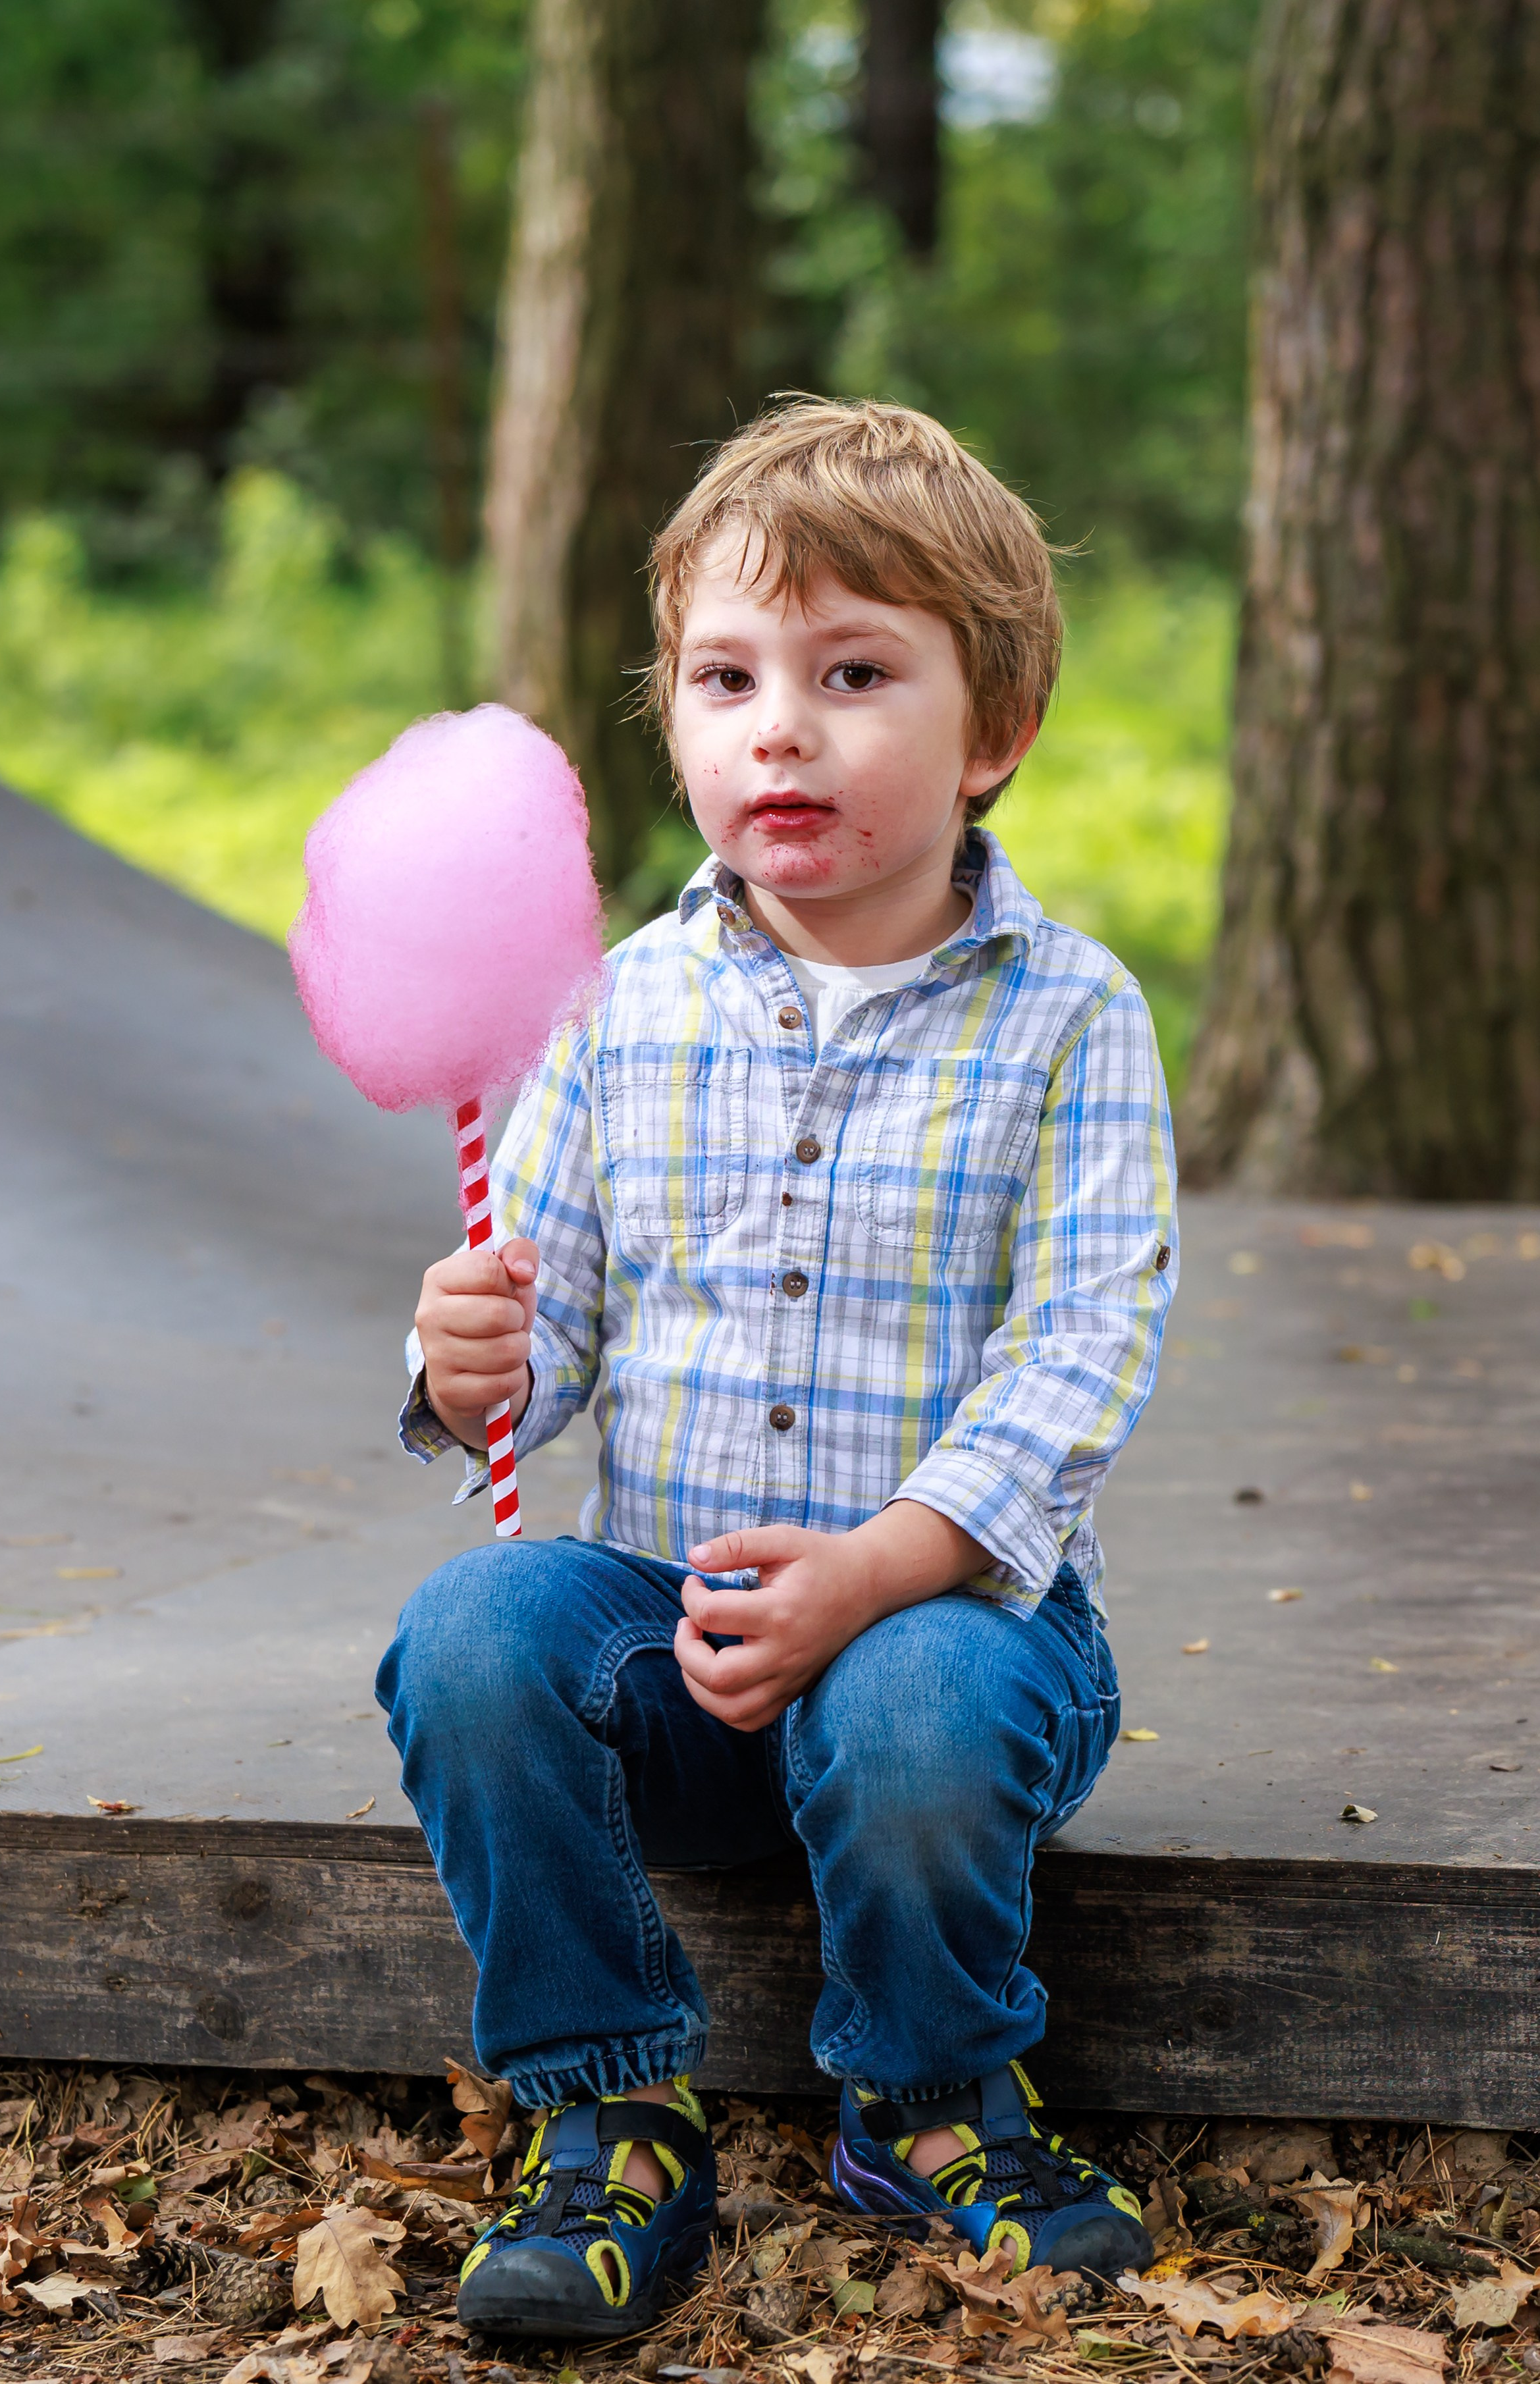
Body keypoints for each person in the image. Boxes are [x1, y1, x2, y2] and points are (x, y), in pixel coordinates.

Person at [379, 398, 1177, 2341]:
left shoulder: (1070, 1017)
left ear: (993, 734)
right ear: (677, 725)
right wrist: (469, 1353)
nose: (780, 727)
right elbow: (549, 1329)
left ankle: (930, 2096)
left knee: (910, 1708)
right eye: (727, 678)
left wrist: (879, 1567)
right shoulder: (616, 1010)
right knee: (475, 1630)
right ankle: (610, 2113)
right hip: (677, 1642)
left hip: (954, 1639)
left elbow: (1080, 1349)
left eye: (853, 673)